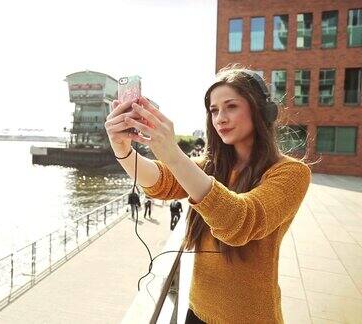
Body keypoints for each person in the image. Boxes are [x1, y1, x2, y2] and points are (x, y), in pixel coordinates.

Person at [104, 65, 311, 323]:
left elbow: (241, 221)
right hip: (197, 311)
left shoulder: (291, 173)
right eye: (214, 110)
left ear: (261, 111)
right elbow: (163, 181)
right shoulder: (212, 167)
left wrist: (173, 154)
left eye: (231, 106)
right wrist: (122, 149)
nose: (220, 118)